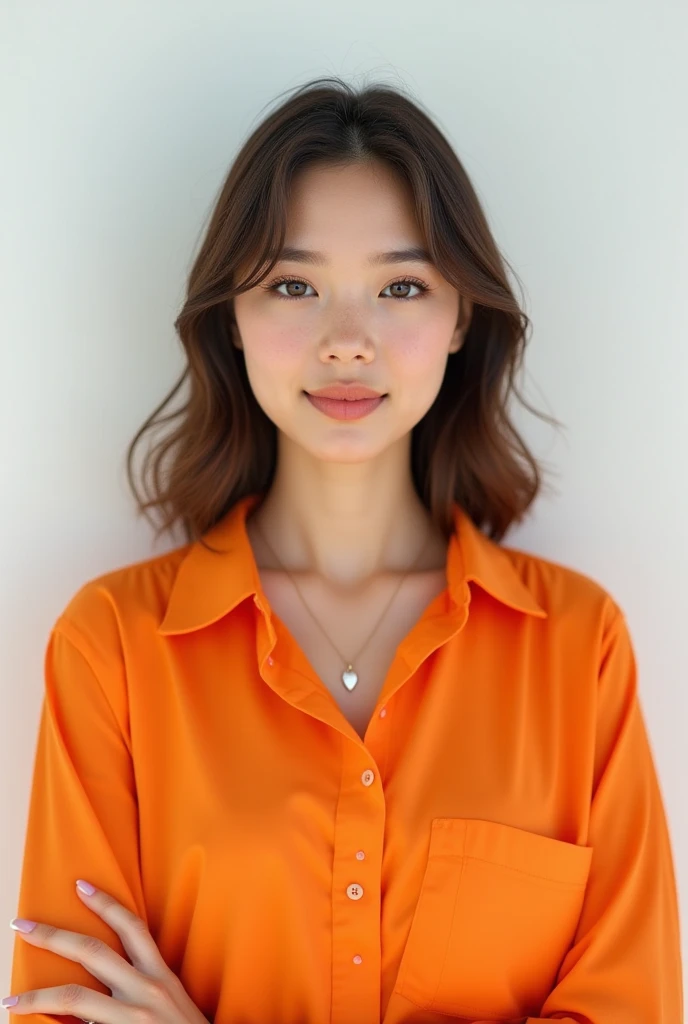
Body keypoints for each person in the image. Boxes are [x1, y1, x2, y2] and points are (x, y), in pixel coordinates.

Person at [9, 76, 683, 1024]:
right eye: (294, 285)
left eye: (400, 286)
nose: (347, 342)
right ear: (233, 320)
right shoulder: (113, 648)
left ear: (460, 321)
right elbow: (66, 1008)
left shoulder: (578, 648)